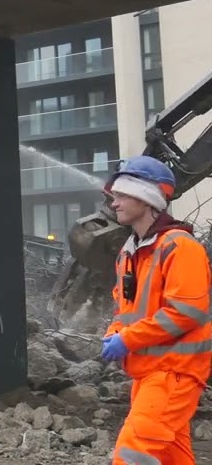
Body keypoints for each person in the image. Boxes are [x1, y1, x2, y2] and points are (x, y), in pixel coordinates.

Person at [100, 155, 211, 465]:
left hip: (174, 371)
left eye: (122, 195)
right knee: (171, 455)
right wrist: (115, 333)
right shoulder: (129, 253)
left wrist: (128, 340)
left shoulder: (180, 247)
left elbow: (186, 312)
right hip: (150, 373)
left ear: (146, 197)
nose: (114, 203)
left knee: (133, 451)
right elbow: (124, 310)